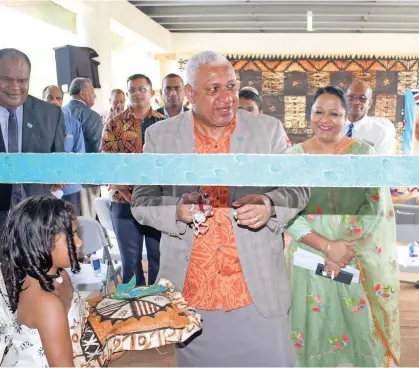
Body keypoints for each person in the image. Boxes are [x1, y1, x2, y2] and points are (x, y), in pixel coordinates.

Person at [130, 50, 310, 366]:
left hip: (256, 292)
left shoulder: (266, 130)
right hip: (193, 295)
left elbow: (299, 188)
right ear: (189, 94)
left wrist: (269, 204)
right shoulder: (160, 136)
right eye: (214, 90)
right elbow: (141, 202)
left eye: (231, 86)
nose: (227, 98)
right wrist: (176, 210)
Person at [285, 85, 400, 367]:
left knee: (359, 330)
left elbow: (376, 205)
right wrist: (326, 247)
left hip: (353, 258)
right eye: (318, 112)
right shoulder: (292, 157)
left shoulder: (362, 154)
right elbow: (286, 211)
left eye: (334, 113)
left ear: (346, 117)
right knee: (312, 328)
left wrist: (342, 248)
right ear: (309, 115)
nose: (326, 119)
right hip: (307, 260)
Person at [0, 196, 85, 366]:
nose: (80, 242)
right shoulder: (46, 303)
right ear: (43, 241)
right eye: (72, 235)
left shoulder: (61, 276)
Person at [101, 73, 165, 287]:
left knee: (159, 258)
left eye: (142, 89)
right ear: (127, 93)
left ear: (151, 93)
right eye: (132, 90)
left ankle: (162, 308)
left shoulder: (164, 124)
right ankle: (135, 312)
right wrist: (129, 194)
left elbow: (171, 164)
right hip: (123, 202)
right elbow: (107, 162)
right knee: (131, 263)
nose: (137, 94)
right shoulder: (115, 124)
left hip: (157, 203)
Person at [0, 48, 65, 224]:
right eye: (6, 79)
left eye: (22, 80)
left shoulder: (52, 114)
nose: (15, 87)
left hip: (38, 219)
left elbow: (59, 167)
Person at [42, 85, 86, 215]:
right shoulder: (35, 122)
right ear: (43, 99)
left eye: (58, 98)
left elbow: (80, 155)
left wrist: (64, 178)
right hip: (45, 188)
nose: (54, 101)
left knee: (71, 226)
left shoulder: (73, 123)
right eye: (50, 97)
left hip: (69, 187)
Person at [63, 77, 102, 218]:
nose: (94, 96)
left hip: (64, 182)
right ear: (82, 93)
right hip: (87, 180)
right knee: (88, 222)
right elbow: (98, 148)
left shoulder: (60, 112)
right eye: (92, 92)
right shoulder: (91, 116)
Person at [345, 80, 396, 155]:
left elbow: (383, 164)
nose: (356, 102)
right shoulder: (331, 128)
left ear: (370, 103)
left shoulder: (381, 133)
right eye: (351, 97)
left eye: (362, 98)